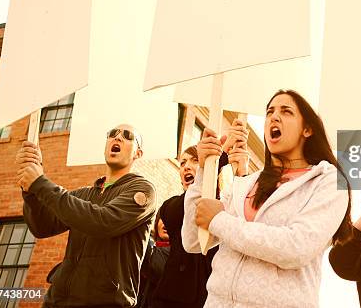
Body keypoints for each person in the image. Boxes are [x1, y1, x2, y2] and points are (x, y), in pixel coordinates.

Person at [182, 89, 353, 308]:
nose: (274, 116)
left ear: (308, 129)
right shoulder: (245, 184)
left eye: (286, 111)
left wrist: (219, 221)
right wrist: (203, 173)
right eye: (270, 111)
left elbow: (297, 247)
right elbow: (193, 241)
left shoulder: (327, 180)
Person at [17, 124, 156, 308]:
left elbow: (102, 221)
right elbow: (41, 226)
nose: (118, 138)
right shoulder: (84, 194)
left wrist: (40, 183)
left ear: (138, 153)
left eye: (128, 135)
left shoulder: (142, 190)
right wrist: (31, 191)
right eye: (112, 134)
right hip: (56, 302)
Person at [150, 132, 249, 308]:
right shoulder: (170, 206)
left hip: (210, 298)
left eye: (195, 160)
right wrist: (216, 160)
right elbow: (188, 210)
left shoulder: (225, 204)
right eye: (182, 163)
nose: (187, 167)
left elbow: (244, 216)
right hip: (169, 298)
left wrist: (242, 173)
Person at [136, 208, 171, 308]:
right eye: (163, 219)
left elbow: (153, 262)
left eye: (170, 220)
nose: (166, 224)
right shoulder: (153, 246)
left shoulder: (179, 255)